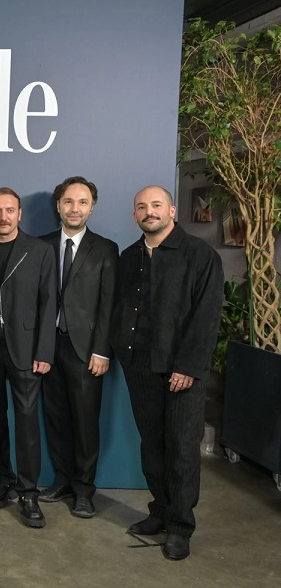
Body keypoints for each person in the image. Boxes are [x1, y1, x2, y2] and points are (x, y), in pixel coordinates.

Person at [112, 186, 223, 561]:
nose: (149, 211)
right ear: (135, 215)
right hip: (139, 364)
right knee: (152, 445)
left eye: (156, 205)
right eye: (141, 206)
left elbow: (206, 316)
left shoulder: (200, 255)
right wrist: (122, 352)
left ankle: (180, 526)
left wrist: (188, 367)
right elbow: (121, 308)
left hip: (181, 369)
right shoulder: (129, 257)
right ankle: (159, 510)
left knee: (181, 448)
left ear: (172, 211)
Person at [38, 177, 118, 519]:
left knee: (85, 422)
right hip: (48, 347)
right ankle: (62, 480)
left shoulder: (105, 249)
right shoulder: (41, 245)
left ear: (92, 207)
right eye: (68, 201)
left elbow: (109, 304)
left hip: (86, 351)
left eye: (82, 202)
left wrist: (102, 350)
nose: (75, 208)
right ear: (58, 206)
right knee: (55, 418)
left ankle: (84, 490)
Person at [0, 187, 57, 528]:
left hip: (26, 349)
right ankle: (3, 480)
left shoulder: (39, 251)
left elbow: (49, 303)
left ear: (19, 214)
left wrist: (44, 350)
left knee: (26, 422)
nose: (3, 216)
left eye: (10, 210)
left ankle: (28, 492)